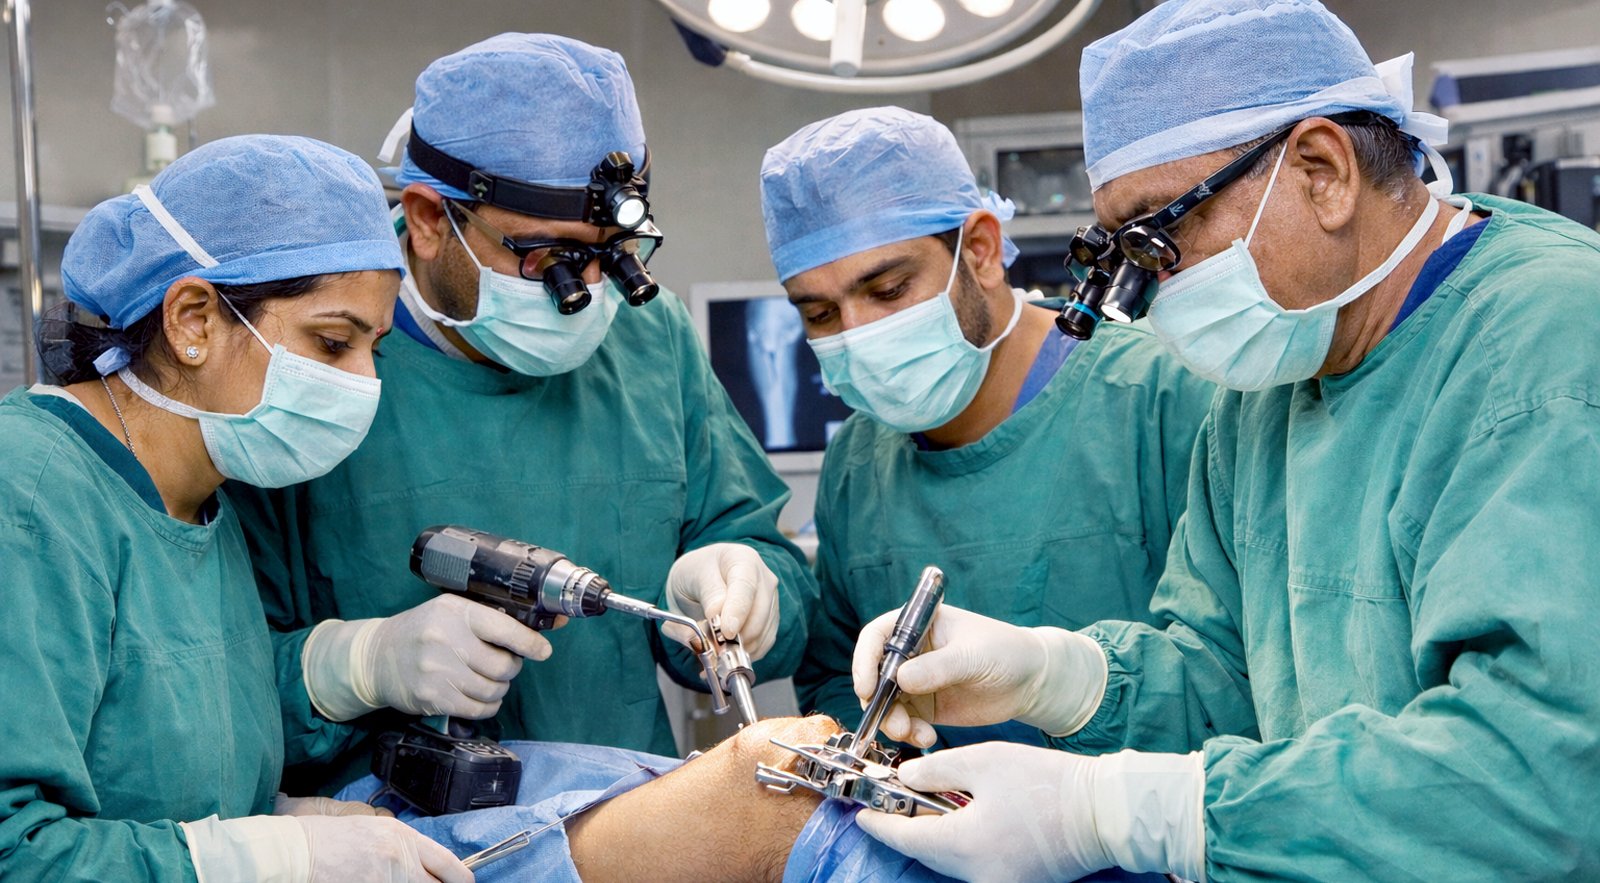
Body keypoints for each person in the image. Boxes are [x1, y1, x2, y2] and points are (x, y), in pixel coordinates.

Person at [842, 1, 1600, 880]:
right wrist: (1061, 675)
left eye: (1160, 241)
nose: (1150, 296)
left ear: (1322, 172)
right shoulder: (1278, 373)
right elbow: (1226, 670)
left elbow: (1541, 778)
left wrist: (1119, 812)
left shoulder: (1551, 345)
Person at [229, 32, 816, 793]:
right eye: (547, 259)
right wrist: (361, 664)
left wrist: (746, 589)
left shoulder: (648, 333)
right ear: (429, 218)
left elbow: (768, 567)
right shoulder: (314, 358)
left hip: (635, 827)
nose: (590, 287)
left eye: (613, 253)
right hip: (392, 847)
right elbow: (208, 689)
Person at [0, 135, 471, 881]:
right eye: (333, 341)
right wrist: (269, 858)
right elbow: (12, 849)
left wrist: (280, 819)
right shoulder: (26, 494)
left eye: (373, 349)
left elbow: (161, 780)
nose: (361, 383)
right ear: (192, 319)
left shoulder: (201, 504)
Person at [760, 107, 1214, 749]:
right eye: (821, 312)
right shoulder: (858, 461)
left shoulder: (1164, 399)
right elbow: (836, 675)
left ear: (980, 251)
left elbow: (1237, 673)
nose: (858, 331)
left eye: (888, 290)